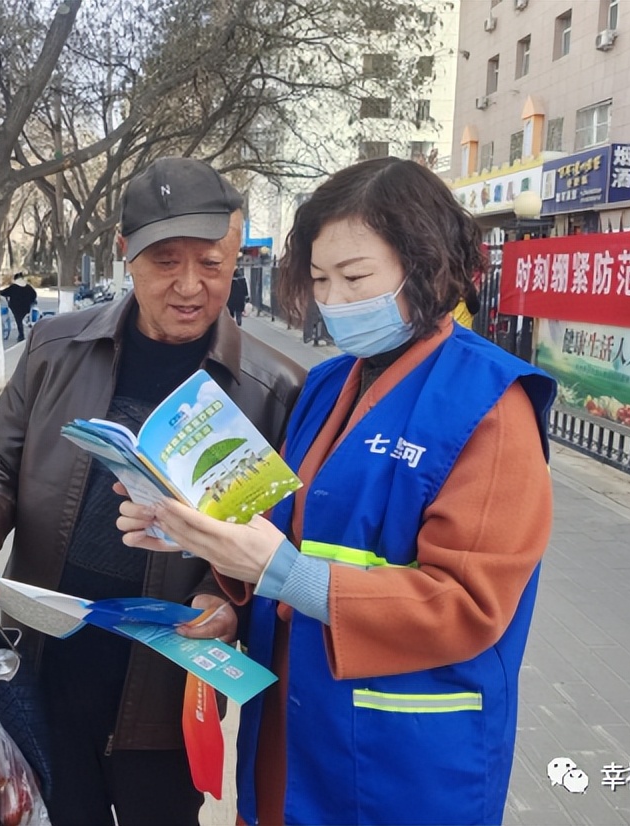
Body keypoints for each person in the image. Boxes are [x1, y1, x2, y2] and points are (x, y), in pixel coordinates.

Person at [117, 157, 557, 826]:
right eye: (321, 279)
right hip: (295, 727)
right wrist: (203, 552)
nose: (336, 300)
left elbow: (470, 602)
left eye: (356, 278)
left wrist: (287, 575)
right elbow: (274, 523)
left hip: (401, 751)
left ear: (425, 264)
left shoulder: (490, 404)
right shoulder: (328, 385)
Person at [0, 157, 305, 826]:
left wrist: (224, 600)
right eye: (165, 260)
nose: (190, 286)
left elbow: (278, 535)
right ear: (123, 252)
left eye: (212, 263)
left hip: (165, 687)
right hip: (42, 663)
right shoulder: (55, 348)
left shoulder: (272, 391)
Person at [0, 272, 39, 341]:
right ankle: (32, 334)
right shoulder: (28, 287)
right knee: (27, 320)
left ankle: (21, 335)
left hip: (16, 307)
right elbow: (34, 295)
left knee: (19, 321)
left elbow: (3, 293)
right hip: (26, 307)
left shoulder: (13, 287)